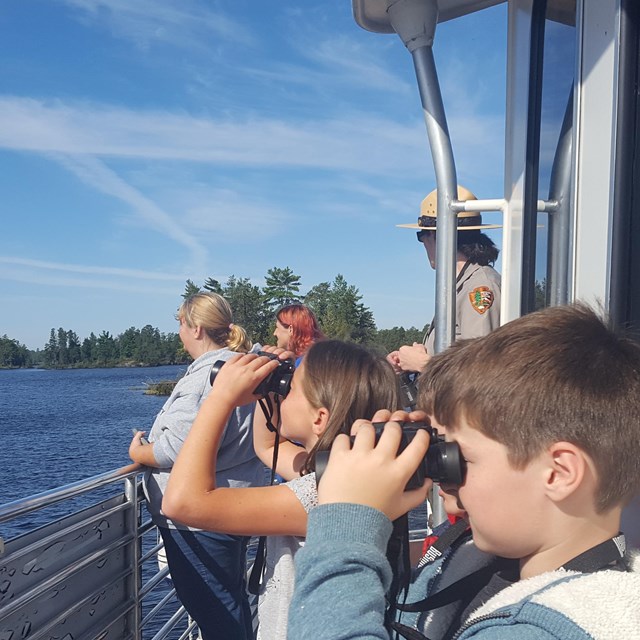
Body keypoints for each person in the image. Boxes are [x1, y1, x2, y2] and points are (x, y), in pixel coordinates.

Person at [288, 303, 640, 639]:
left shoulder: (553, 628)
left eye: (462, 459)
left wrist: (346, 530)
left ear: (558, 473)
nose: (444, 478)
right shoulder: (485, 557)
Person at [162, 339, 401, 640]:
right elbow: (265, 446)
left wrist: (219, 397)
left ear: (319, 418)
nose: (285, 391)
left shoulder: (323, 498)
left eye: (293, 388)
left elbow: (181, 503)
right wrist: (271, 389)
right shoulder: (344, 478)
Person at [128, 292, 264, 640]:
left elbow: (177, 448)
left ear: (197, 328)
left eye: (181, 324)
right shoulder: (241, 366)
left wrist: (140, 452)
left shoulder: (209, 376)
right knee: (228, 604)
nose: (179, 332)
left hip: (199, 519)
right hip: (228, 505)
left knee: (217, 612)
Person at [387, 185, 501, 374]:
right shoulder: (464, 283)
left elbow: (480, 370)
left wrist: (422, 364)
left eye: (421, 235)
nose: (423, 243)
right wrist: (417, 357)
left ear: (434, 235)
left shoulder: (480, 287)